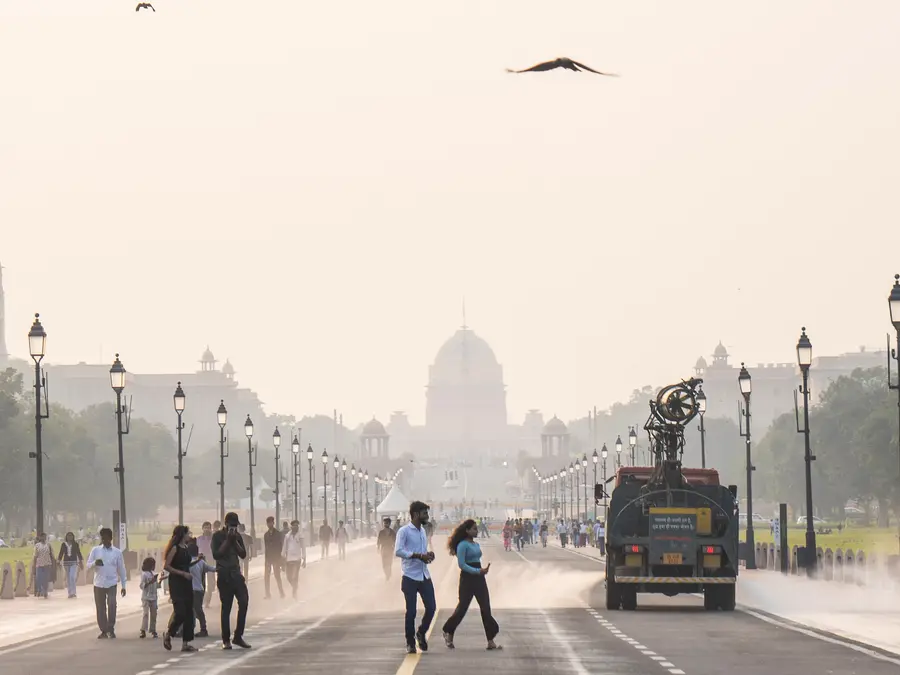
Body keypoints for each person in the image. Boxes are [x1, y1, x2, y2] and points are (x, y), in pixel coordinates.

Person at [442, 519, 501, 650]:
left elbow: (476, 560)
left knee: (485, 607)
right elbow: (462, 564)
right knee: (462, 608)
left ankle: (490, 640)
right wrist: (477, 571)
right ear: (467, 530)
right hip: (467, 579)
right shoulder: (462, 545)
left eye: (476, 528)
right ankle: (448, 631)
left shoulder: (476, 544)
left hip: (479, 578)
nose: (476, 531)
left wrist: (482, 571)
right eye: (474, 529)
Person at [395, 500, 436, 655]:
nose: (427, 516)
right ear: (416, 514)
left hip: (424, 575)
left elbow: (422, 552)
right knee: (411, 611)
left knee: (431, 608)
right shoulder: (404, 531)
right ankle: (410, 643)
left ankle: (421, 632)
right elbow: (398, 551)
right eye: (425, 513)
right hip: (409, 577)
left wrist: (428, 555)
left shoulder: (422, 531)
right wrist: (418, 556)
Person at [212, 512, 251, 650]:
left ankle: (238, 636)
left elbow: (243, 554)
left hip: (236, 574)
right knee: (226, 608)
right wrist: (228, 541)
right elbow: (217, 555)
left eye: (235, 526)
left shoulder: (237, 536)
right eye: (231, 525)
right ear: (226, 524)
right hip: (224, 575)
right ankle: (226, 639)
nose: (233, 528)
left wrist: (234, 541)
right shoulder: (217, 536)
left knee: (244, 602)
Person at [86, 527, 127, 639]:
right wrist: (95, 563)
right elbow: (88, 565)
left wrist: (124, 586)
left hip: (112, 583)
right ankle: (103, 630)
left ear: (110, 538)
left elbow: (121, 569)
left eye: (106, 538)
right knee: (100, 608)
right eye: (102, 538)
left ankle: (111, 628)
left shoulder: (117, 552)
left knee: (112, 605)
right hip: (99, 583)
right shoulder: (95, 550)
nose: (104, 540)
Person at [162, 525, 197, 652]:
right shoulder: (175, 548)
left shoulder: (186, 548)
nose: (189, 535)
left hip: (187, 583)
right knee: (180, 612)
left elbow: (186, 565)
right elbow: (167, 566)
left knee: (189, 613)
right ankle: (169, 634)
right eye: (188, 533)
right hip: (177, 583)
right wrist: (182, 574)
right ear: (182, 535)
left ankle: (186, 643)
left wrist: (198, 560)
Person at [187, 540, 215, 638]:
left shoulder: (188, 562)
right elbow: (212, 569)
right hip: (200, 589)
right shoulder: (201, 562)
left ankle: (203, 629)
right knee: (197, 610)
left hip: (192, 590)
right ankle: (200, 628)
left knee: (195, 610)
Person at [281, 520, 306, 599]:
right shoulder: (287, 536)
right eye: (294, 526)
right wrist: (282, 558)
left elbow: (303, 547)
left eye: (297, 526)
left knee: (294, 576)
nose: (296, 527)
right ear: (291, 527)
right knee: (289, 577)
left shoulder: (300, 536)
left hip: (297, 559)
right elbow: (284, 548)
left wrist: (304, 559)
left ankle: (294, 593)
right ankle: (295, 586)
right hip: (289, 559)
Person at [139, 556, 162, 639]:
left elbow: (156, 586)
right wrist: (150, 582)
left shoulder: (153, 573)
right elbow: (141, 585)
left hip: (154, 597)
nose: (154, 566)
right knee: (145, 614)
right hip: (146, 597)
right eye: (153, 565)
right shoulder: (144, 574)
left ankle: (153, 630)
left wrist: (160, 580)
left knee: (154, 614)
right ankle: (143, 630)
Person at [263, 516, 285, 599]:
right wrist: (266, 559)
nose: (269, 524)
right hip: (268, 558)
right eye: (268, 523)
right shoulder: (266, 535)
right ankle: (267, 594)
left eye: (271, 522)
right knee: (266, 577)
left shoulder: (278, 534)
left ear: (273, 523)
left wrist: (281, 559)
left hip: (276, 558)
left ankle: (281, 593)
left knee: (277, 576)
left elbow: (281, 546)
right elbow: (266, 548)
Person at [57, 532, 84, 599]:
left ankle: (73, 592)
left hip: (74, 562)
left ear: (73, 537)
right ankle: (70, 593)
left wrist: (81, 562)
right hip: (66, 563)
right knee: (68, 578)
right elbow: (61, 553)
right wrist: (58, 560)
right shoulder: (63, 544)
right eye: (68, 536)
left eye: (71, 536)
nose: (69, 537)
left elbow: (78, 553)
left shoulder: (75, 544)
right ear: (66, 537)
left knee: (72, 576)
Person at [196, 522, 216, 608]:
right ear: (202, 528)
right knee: (201, 581)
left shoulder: (213, 539)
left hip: (211, 560)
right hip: (200, 561)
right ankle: (202, 600)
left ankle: (208, 601)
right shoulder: (199, 539)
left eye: (208, 528)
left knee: (210, 582)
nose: (207, 529)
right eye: (205, 527)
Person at [32, 532, 54, 599]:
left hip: (47, 564)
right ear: (40, 537)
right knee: (39, 578)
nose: (43, 538)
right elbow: (35, 556)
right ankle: (39, 590)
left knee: (45, 579)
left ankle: (45, 591)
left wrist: (53, 563)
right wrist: (34, 565)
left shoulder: (48, 545)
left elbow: (52, 555)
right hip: (39, 564)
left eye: (44, 536)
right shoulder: (37, 545)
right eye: (42, 536)